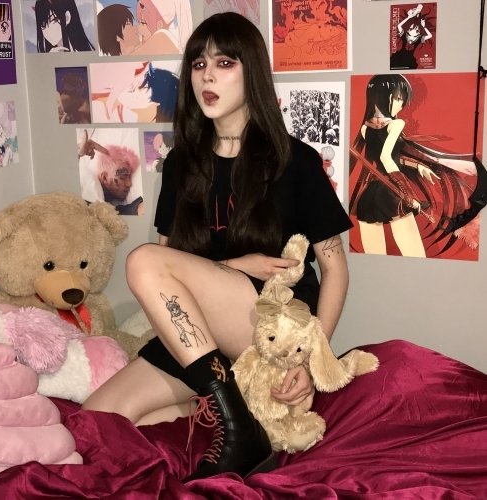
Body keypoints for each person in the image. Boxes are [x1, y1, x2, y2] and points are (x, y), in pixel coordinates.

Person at [83, 12, 352, 481]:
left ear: (252, 72)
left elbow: (335, 269)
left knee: (142, 260)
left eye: (224, 63)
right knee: (97, 419)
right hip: (201, 336)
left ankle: (237, 426)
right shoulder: (181, 164)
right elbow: (169, 270)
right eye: (198, 64)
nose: (207, 76)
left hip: (267, 322)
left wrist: (314, 360)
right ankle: (235, 408)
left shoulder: (294, 160)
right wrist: (234, 264)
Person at [349, 74, 476, 258]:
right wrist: (408, 195)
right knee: (415, 256)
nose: (401, 105)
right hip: (392, 194)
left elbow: (386, 159)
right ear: (384, 96)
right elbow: (386, 158)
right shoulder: (396, 124)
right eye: (398, 98)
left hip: (369, 196)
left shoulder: (365, 128)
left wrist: (417, 166)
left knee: (374, 259)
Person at [390, 4, 433, 70]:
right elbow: (399, 26)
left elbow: (430, 35)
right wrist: (409, 17)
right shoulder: (404, 34)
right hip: (398, 57)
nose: (411, 37)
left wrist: (423, 27)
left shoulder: (419, 38)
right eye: (410, 34)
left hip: (409, 61)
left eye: (415, 34)